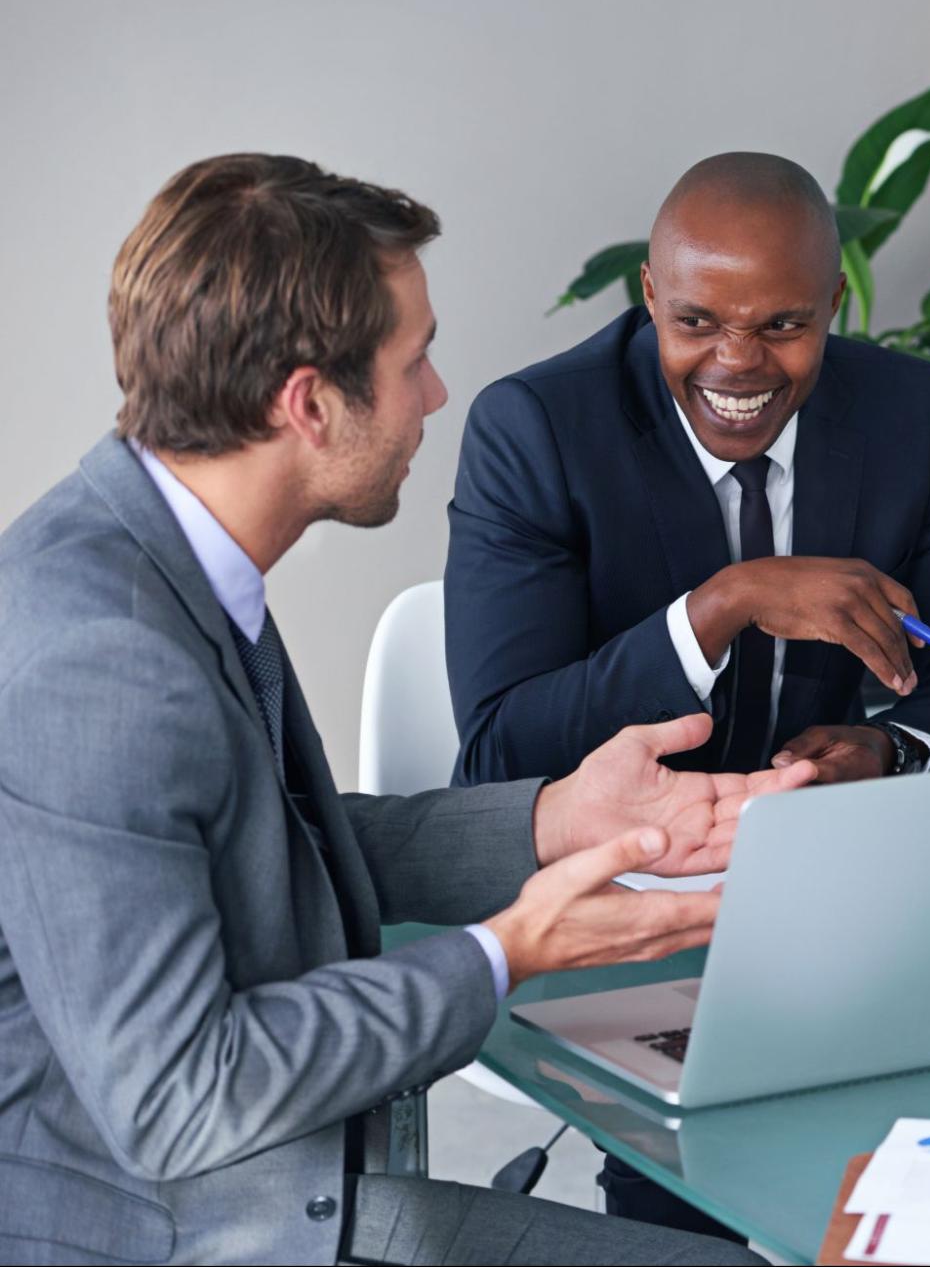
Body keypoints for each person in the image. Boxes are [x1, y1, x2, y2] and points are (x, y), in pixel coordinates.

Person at [0, 154, 810, 1265]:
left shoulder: (164, 553)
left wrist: (554, 820)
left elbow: (269, 852)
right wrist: (509, 952)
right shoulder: (101, 662)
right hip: (193, 1229)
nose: (435, 394)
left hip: (283, 1193)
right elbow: (181, 1101)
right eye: (412, 360)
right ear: (309, 403)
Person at [445, 151, 930, 792]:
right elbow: (499, 751)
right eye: (696, 321)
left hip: (814, 843)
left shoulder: (901, 411)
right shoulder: (537, 430)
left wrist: (889, 745)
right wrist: (729, 603)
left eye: (783, 325)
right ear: (650, 293)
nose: (736, 362)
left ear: (833, 301)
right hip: (607, 860)